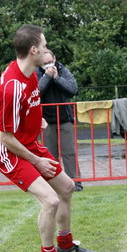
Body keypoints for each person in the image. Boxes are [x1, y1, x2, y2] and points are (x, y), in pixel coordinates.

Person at [0, 25, 96, 252]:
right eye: (44, 47)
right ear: (33, 50)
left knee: (67, 187)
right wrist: (37, 160)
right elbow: (5, 138)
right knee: (50, 200)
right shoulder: (13, 85)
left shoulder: (30, 74)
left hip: (28, 144)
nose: (47, 51)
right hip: (9, 150)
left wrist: (38, 121)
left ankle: (66, 246)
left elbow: (24, 110)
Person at [36, 50, 83, 192]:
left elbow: (73, 89)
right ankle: (55, 184)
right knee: (50, 155)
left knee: (69, 152)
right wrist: (47, 77)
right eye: (44, 64)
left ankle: (75, 183)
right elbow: (36, 91)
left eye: (50, 62)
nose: (48, 66)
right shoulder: (36, 72)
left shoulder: (63, 70)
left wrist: (56, 78)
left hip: (64, 118)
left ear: (55, 59)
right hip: (46, 120)